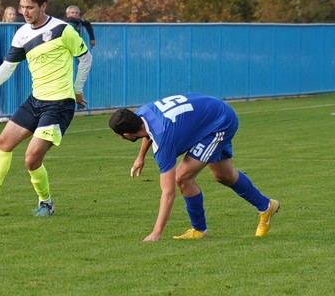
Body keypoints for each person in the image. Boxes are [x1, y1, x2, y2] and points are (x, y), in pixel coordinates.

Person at [0, 0, 92, 216]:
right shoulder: (22, 34)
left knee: (31, 159)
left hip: (59, 105)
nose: (24, 12)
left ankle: (46, 202)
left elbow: (86, 58)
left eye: (29, 7)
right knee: (2, 143)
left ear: (43, 6)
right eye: (22, 7)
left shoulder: (62, 30)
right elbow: (8, 66)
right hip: (35, 100)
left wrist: (77, 89)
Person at [109, 94, 280, 241]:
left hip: (219, 123)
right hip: (210, 114)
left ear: (126, 135)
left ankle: (199, 230)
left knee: (182, 178)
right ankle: (267, 206)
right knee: (224, 176)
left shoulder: (163, 143)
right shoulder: (142, 113)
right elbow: (148, 131)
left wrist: (156, 233)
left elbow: (168, 193)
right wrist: (140, 158)